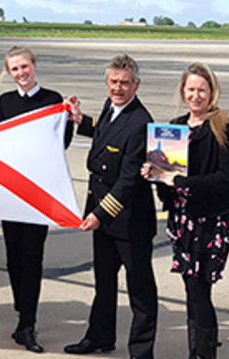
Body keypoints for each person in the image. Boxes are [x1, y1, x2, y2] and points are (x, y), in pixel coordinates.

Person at [142, 63, 229, 359]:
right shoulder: (174, 127)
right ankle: (197, 350)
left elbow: (228, 177)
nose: (196, 95)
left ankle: (203, 353)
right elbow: (168, 184)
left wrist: (182, 181)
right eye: (191, 90)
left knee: (200, 290)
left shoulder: (222, 125)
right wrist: (156, 175)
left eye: (202, 89)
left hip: (210, 221)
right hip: (182, 220)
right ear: (183, 92)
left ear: (212, 92)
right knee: (191, 288)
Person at [63, 54, 158, 359]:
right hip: (103, 216)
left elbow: (128, 181)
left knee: (139, 290)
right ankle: (100, 337)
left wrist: (98, 215)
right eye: (113, 82)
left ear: (136, 85)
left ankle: (141, 352)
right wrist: (81, 120)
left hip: (128, 220)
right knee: (104, 283)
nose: (118, 88)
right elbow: (106, 133)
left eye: (125, 83)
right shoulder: (111, 107)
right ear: (107, 82)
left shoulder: (142, 122)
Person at [0, 46, 76, 353]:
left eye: (24, 67)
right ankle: (22, 313)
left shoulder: (51, 100)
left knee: (32, 257)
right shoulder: (5, 102)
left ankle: (28, 323)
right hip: (10, 192)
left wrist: (68, 118)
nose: (20, 73)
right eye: (14, 69)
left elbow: (62, 143)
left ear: (35, 65)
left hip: (38, 192)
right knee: (13, 257)